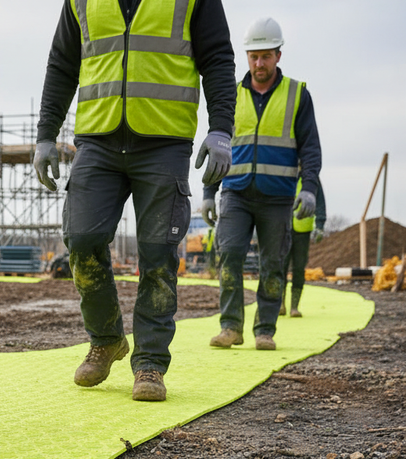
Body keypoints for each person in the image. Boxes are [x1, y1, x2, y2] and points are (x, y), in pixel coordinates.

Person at [34, 0, 236, 402]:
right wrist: (45, 134)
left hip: (164, 141)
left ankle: (150, 363)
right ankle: (107, 339)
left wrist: (221, 130)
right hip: (98, 139)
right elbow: (62, 64)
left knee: (158, 253)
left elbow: (217, 60)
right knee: (81, 238)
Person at [204, 17, 322, 351]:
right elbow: (217, 143)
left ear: (278, 56)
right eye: (254, 56)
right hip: (236, 192)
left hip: (278, 197)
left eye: (266, 56)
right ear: (247, 56)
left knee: (273, 264)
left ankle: (265, 330)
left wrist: (310, 188)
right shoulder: (230, 93)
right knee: (229, 256)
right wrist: (209, 193)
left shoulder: (297, 95)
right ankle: (230, 326)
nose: (259, 63)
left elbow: (310, 148)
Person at [280, 177, 326, 317]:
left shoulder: (311, 179)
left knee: (299, 268)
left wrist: (320, 225)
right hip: (282, 228)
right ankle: (279, 303)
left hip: (303, 229)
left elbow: (320, 202)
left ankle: (294, 306)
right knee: (280, 266)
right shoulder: (285, 171)